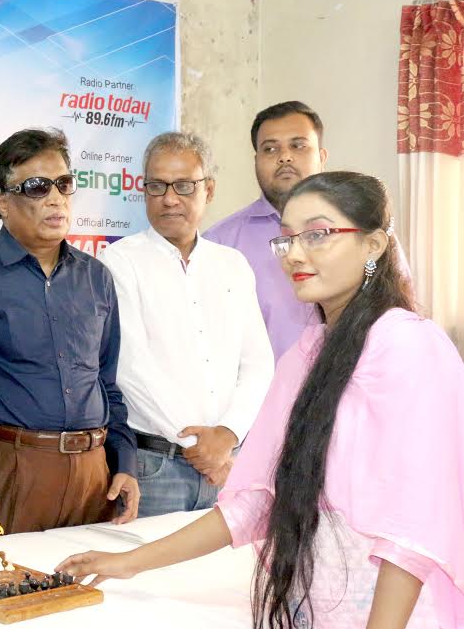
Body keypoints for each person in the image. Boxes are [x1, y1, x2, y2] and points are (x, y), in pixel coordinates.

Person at [59, 172, 463, 629]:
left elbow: (412, 524)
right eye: (288, 238)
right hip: (310, 608)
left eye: (318, 234)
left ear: (372, 245)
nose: (295, 254)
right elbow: (255, 503)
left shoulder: (409, 346)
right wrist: (128, 562)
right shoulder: (307, 353)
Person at [0, 128, 139, 533]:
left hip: (94, 475)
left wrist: (125, 462)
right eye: (37, 187)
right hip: (11, 469)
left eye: (64, 184)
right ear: (2, 202)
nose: (56, 198)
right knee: (9, 575)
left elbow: (106, 382)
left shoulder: (96, 277)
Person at [98, 132, 272, 517]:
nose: (169, 198)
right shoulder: (119, 262)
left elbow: (258, 363)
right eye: (157, 185)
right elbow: (129, 367)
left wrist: (227, 435)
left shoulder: (233, 265)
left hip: (231, 464)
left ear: (208, 189)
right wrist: (202, 449)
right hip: (155, 470)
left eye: (184, 185)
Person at [205, 101, 327, 361]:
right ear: (256, 161)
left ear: (322, 157)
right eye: (270, 149)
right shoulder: (218, 245)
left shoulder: (362, 233)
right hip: (262, 388)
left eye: (298, 145)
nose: (285, 157)